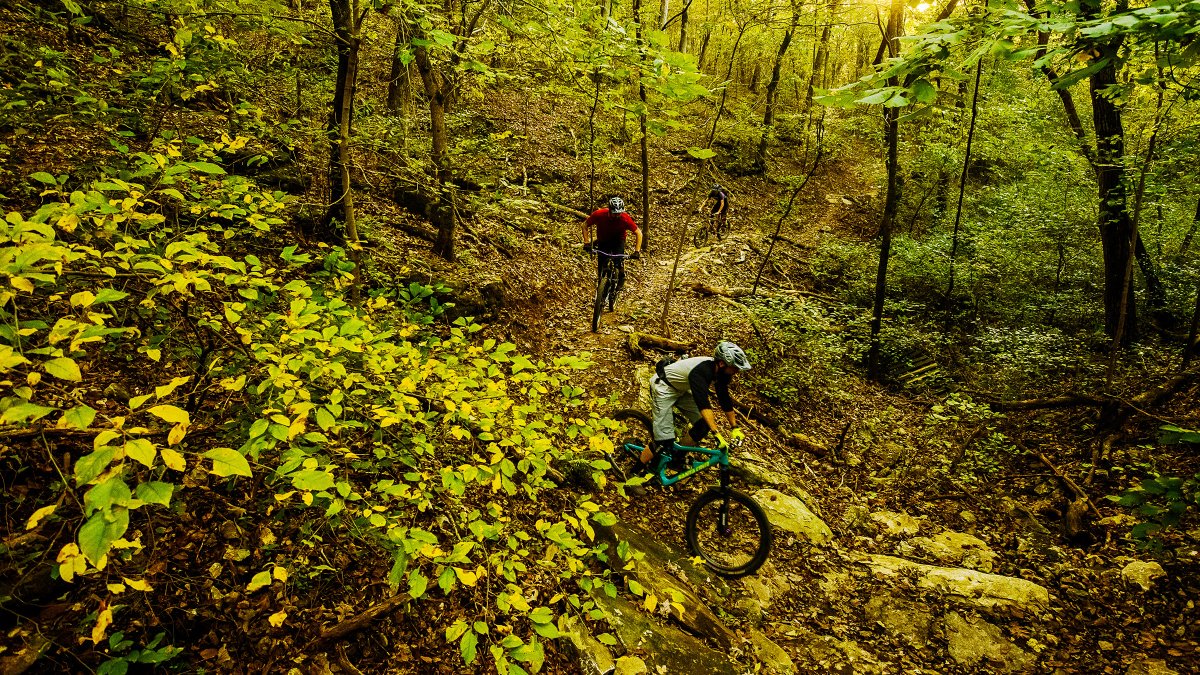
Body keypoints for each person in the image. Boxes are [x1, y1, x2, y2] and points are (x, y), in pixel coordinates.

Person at [647, 341, 751, 471]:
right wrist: (716, 434)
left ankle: (676, 458)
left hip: (681, 390)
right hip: (663, 388)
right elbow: (703, 403)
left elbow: (724, 399)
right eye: (735, 367)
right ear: (722, 363)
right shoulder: (701, 371)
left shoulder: (722, 373)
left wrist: (734, 427)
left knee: (703, 425)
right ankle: (635, 472)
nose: (737, 371)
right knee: (663, 441)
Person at [582, 197, 642, 310]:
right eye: (615, 213)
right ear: (609, 210)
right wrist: (586, 242)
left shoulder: (624, 218)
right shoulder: (599, 214)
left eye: (619, 213)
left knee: (618, 260)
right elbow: (584, 225)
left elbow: (638, 232)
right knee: (601, 268)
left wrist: (637, 251)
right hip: (603, 240)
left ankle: (620, 276)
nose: (617, 216)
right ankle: (601, 291)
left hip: (618, 240)